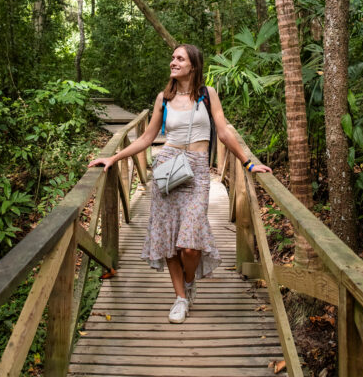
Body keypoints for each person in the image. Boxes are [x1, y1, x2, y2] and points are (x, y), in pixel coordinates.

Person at [88, 44, 271, 324]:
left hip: (197, 172)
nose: (173, 62)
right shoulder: (164, 97)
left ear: (193, 66)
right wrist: (113, 158)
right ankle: (180, 298)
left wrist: (248, 163)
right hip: (167, 170)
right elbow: (147, 138)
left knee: (190, 244)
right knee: (169, 239)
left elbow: (223, 132)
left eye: (179, 58)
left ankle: (188, 281)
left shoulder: (208, 95)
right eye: (173, 57)